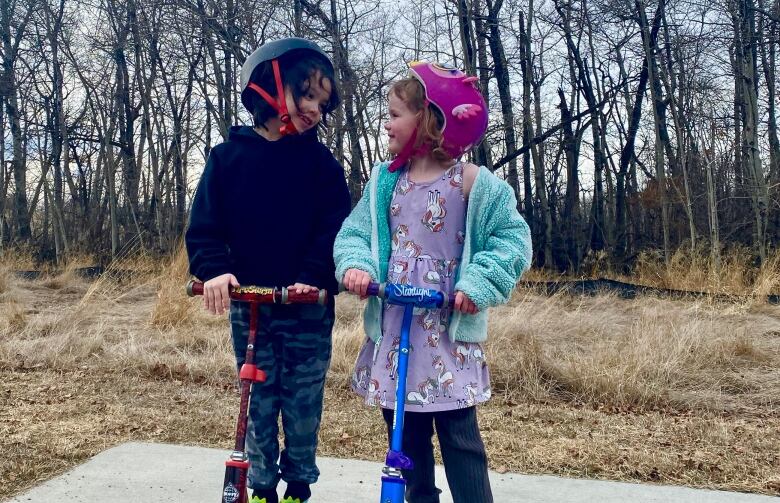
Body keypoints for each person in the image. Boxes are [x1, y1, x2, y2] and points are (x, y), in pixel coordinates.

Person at [334, 62, 532, 503]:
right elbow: (355, 233)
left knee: (460, 436)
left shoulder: (474, 184)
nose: (386, 123)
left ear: (429, 119)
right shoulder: (386, 181)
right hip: (396, 325)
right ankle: (418, 496)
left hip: (447, 331)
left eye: (395, 113)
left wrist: (479, 283)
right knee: (404, 434)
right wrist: (356, 266)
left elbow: (512, 242)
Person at [185, 38, 351, 503]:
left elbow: (335, 227)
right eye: (307, 95)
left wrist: (316, 275)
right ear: (271, 88)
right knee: (257, 400)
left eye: (323, 101)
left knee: (301, 401)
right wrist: (214, 270)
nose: (316, 109)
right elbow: (205, 226)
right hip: (252, 305)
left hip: (307, 307)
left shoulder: (320, 165)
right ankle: (259, 487)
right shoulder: (227, 159)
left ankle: (298, 483)